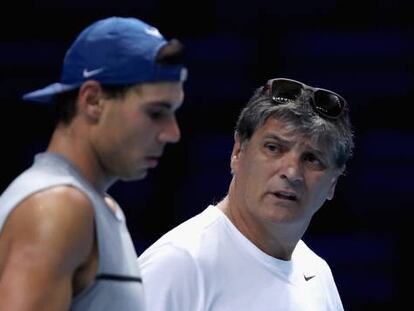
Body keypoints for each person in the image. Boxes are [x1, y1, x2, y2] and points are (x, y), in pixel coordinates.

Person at [0, 16, 187, 311]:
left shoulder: (94, 207)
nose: (172, 133)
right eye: (156, 113)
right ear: (93, 100)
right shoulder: (58, 207)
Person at [138, 77, 354, 310]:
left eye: (312, 159)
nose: (292, 173)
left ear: (333, 182)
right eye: (273, 148)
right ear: (238, 151)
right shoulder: (178, 264)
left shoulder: (317, 275)